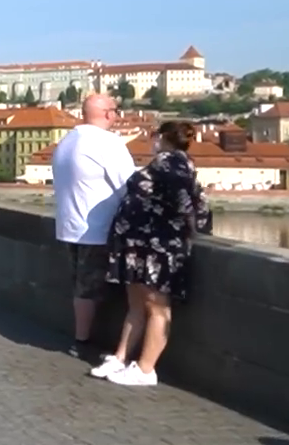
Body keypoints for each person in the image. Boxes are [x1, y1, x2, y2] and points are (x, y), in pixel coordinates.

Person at [97, 120, 212, 387]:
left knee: (156, 306)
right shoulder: (170, 161)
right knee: (137, 303)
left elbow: (186, 199)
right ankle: (120, 357)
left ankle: (146, 369)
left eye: (155, 136)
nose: (153, 141)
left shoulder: (171, 161)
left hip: (158, 246)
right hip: (143, 244)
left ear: (163, 138)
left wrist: (191, 226)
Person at [51, 93, 137, 362]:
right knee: (88, 288)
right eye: (116, 110)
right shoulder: (107, 142)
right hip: (96, 228)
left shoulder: (66, 141)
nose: (117, 116)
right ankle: (82, 341)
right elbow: (131, 186)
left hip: (69, 225)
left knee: (80, 284)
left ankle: (83, 337)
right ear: (108, 114)